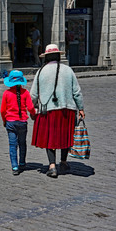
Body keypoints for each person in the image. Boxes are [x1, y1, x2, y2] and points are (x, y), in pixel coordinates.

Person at [30, 44, 85, 178]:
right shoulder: (68, 70)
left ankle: (52, 166)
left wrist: (31, 109)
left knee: (50, 137)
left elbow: (33, 94)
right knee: (64, 136)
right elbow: (76, 92)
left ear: (46, 57)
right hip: (67, 109)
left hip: (48, 110)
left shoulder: (41, 71)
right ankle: (64, 162)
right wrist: (81, 108)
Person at [0, 70, 36, 176]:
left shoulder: (6, 93)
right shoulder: (25, 93)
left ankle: (15, 166)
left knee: (12, 145)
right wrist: (33, 114)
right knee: (22, 143)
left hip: (10, 122)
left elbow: (2, 110)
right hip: (22, 122)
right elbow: (30, 108)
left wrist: (4, 120)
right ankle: (22, 162)